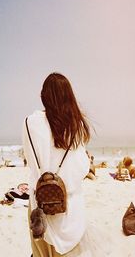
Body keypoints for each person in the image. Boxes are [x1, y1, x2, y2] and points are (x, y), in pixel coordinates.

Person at [22, 73, 93, 256]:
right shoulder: (75, 126)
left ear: (43, 96)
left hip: (40, 203)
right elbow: (82, 168)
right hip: (69, 205)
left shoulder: (31, 123)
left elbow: (30, 159)